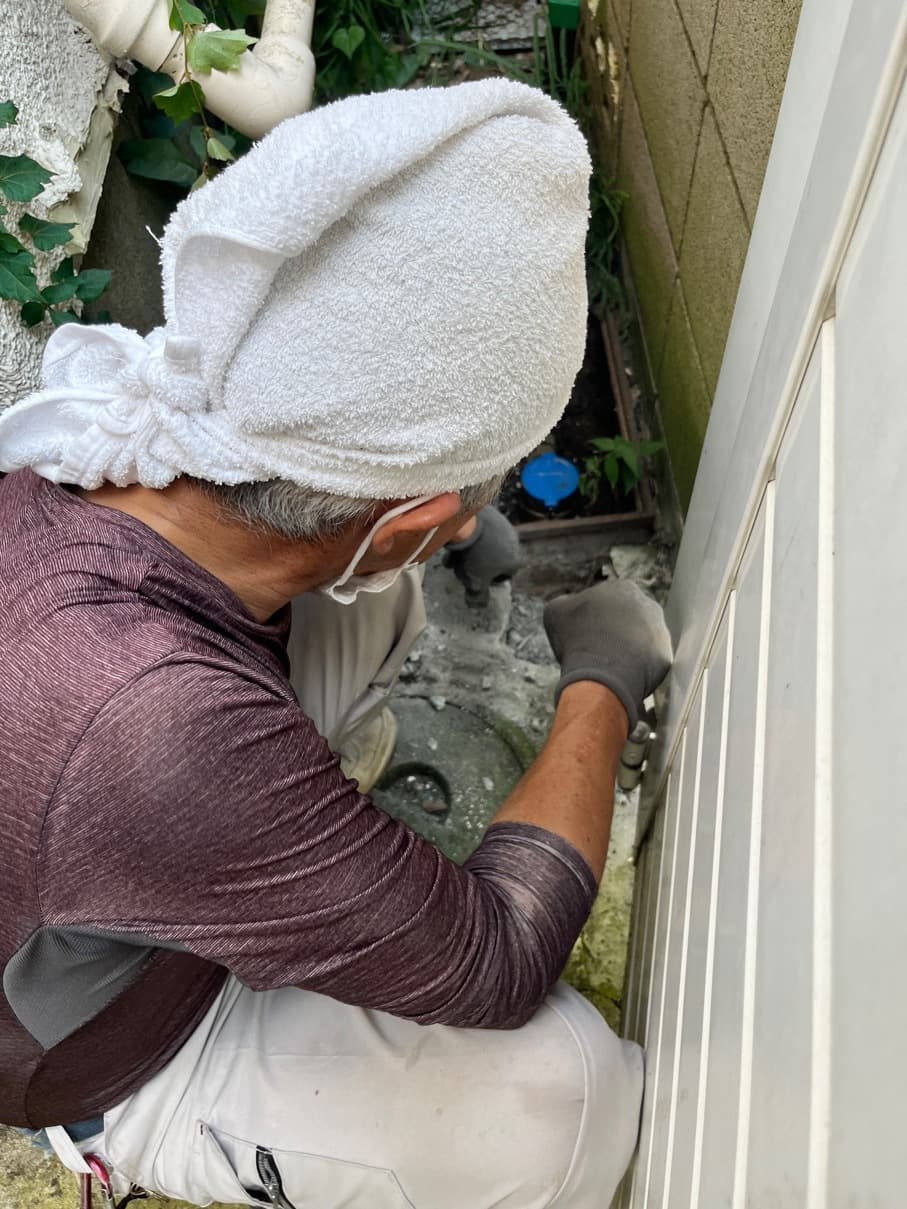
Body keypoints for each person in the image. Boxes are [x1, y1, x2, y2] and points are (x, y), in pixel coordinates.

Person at [0, 80, 671, 1208]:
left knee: (372, 605)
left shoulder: (114, 446)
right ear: (403, 520)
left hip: (116, 806)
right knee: (565, 1100)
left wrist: (455, 522)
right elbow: (497, 959)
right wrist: (601, 681)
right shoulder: (156, 722)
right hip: (101, 1036)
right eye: (472, 495)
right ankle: (108, 1140)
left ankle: (251, 864)